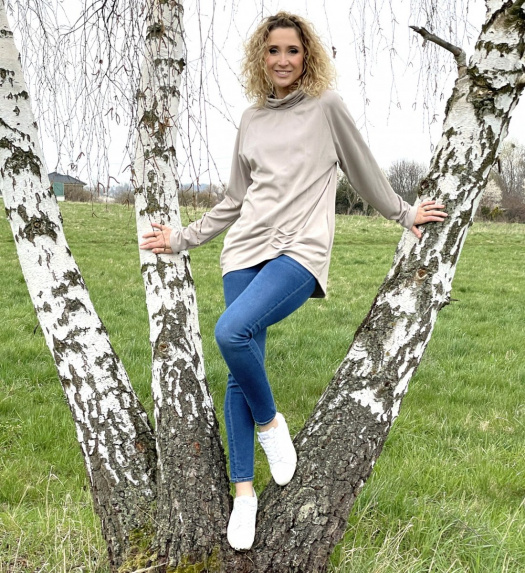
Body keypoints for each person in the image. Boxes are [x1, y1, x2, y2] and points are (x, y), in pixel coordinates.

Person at [140, 11, 447, 551]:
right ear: (261, 58)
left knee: (230, 332)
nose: (283, 60)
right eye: (273, 51)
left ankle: (270, 425)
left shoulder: (326, 108)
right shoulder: (251, 119)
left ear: (307, 57)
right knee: (239, 371)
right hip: (242, 253)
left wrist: (404, 212)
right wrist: (182, 238)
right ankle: (244, 495)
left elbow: (363, 168)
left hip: (299, 252)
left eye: (293, 50)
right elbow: (235, 199)